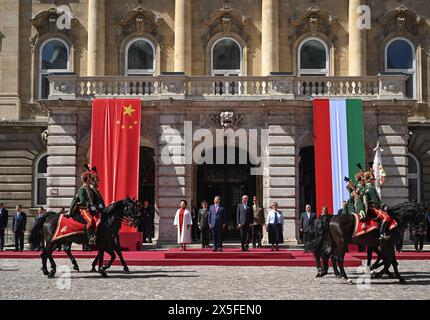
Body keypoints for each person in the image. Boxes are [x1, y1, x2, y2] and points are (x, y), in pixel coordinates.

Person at [69, 166, 105, 245]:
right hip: (84, 209)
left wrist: (97, 206)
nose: (91, 180)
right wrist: (90, 206)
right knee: (90, 221)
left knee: (97, 219)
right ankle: (90, 238)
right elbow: (83, 201)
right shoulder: (82, 189)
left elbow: (93, 199)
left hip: (91, 208)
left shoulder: (89, 188)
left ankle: (96, 235)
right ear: (87, 179)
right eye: (90, 179)